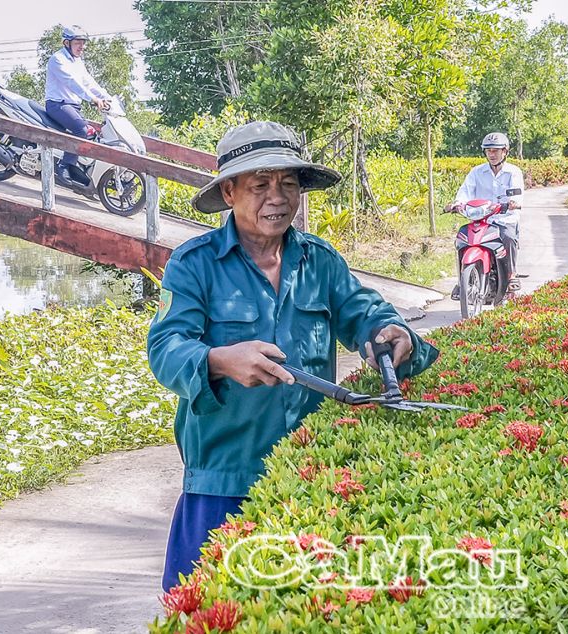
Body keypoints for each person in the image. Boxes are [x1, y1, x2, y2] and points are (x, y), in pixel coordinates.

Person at [147, 121, 439, 591]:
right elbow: (166, 348)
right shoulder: (193, 264)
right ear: (228, 193)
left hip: (310, 477)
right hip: (224, 479)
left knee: (311, 606)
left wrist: (391, 333)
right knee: (206, 605)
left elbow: (363, 311)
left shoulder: (320, 260)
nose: (277, 197)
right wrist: (222, 359)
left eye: (288, 183)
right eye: (260, 185)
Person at [447, 132, 525, 296]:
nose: (492, 154)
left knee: (508, 238)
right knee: (462, 238)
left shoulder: (513, 172)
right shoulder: (477, 172)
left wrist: (513, 203)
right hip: (481, 219)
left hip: (504, 219)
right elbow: (465, 191)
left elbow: (517, 194)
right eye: (488, 150)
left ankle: (511, 275)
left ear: (505, 151)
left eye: (496, 150)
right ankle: (462, 279)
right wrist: (457, 204)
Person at [44, 25, 112, 189]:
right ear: (66, 43)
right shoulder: (57, 59)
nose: (82, 46)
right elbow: (72, 83)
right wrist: (93, 99)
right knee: (82, 130)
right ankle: (64, 166)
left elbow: (89, 82)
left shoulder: (78, 62)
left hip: (73, 107)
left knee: (92, 133)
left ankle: (77, 167)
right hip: (57, 105)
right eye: (78, 43)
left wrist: (107, 97)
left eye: (83, 43)